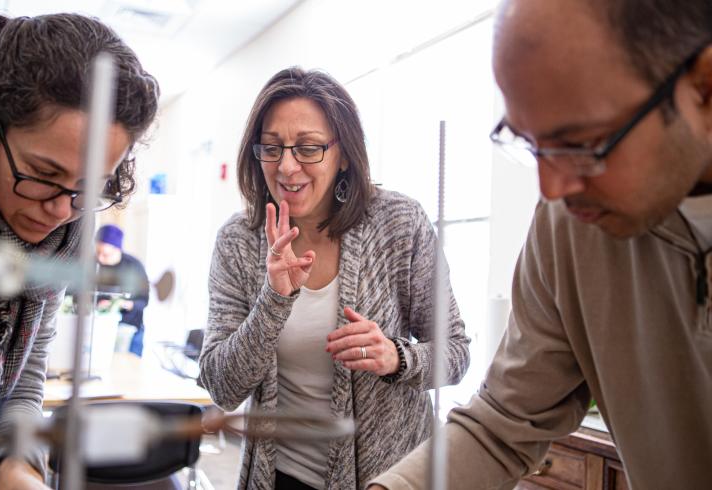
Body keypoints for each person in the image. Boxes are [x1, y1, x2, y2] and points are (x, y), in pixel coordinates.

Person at [368, 0, 712, 488]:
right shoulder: (568, 226)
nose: (551, 189)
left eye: (581, 145)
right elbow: (502, 424)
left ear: (704, 88)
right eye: (530, 143)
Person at [0, 12, 159, 490]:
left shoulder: (71, 225)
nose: (61, 210)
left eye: (88, 187)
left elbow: (24, 378)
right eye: (42, 175)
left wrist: (20, 469)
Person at [198, 67, 470, 490]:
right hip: (280, 477)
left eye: (308, 148)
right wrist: (274, 299)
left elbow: (456, 354)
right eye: (272, 148)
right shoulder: (238, 240)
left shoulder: (399, 223)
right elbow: (222, 387)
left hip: (393, 476)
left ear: (343, 154)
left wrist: (396, 357)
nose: (287, 167)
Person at [95, 224, 150, 357]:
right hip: (99, 330)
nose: (100, 258)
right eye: (98, 252)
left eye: (105, 254)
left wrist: (124, 304)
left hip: (129, 331)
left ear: (118, 249)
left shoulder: (134, 267)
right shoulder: (92, 264)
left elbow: (143, 300)